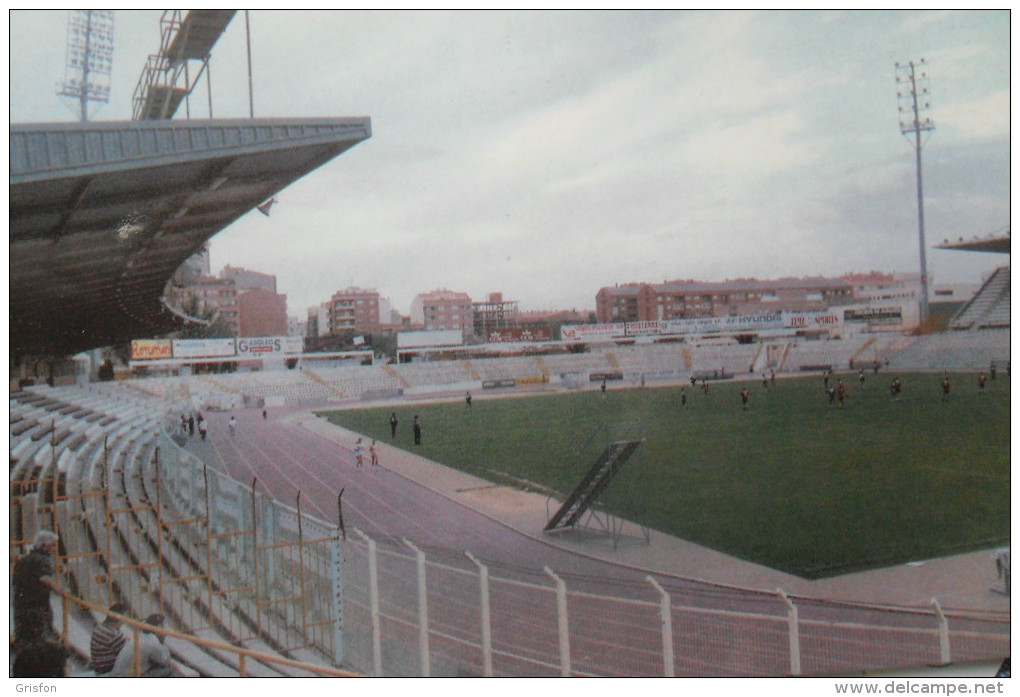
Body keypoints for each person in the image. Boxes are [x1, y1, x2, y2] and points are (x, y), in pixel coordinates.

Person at [13, 530, 59, 646]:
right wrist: (60, 591)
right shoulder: (43, 560)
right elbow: (44, 578)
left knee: (23, 638)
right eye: (52, 545)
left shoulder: (23, 560)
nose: (53, 549)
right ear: (44, 546)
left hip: (20, 606)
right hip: (37, 607)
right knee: (40, 638)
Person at [111, 613, 174, 677]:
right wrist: (162, 642)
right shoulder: (153, 641)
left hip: (118, 672)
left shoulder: (136, 634)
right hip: (129, 675)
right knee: (170, 669)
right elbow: (165, 661)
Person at [91, 602, 130, 675]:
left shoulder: (99, 627)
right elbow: (128, 657)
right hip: (109, 673)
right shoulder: (115, 635)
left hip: (99, 670)